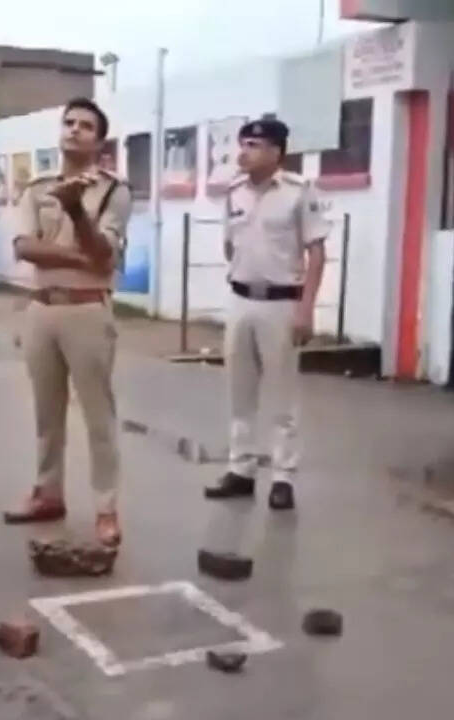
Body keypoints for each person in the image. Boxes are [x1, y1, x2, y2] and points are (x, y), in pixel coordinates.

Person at [4, 98, 131, 548]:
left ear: (99, 141)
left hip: (86, 309)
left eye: (86, 126)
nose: (75, 130)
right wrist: (80, 257)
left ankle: (106, 508)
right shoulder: (38, 188)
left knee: (98, 415)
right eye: (69, 122)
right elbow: (25, 248)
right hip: (42, 307)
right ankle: (47, 493)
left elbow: (104, 254)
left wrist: (77, 210)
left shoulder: (113, 192)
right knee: (47, 412)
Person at [204, 118, 328, 512]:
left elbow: (317, 253)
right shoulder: (234, 192)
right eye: (243, 144)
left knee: (281, 396)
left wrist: (306, 308)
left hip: (281, 303)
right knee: (239, 392)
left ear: (276, 152)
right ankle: (240, 470)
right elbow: (229, 246)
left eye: (254, 145)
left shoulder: (298, 192)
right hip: (241, 299)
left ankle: (283, 477)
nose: (244, 152)